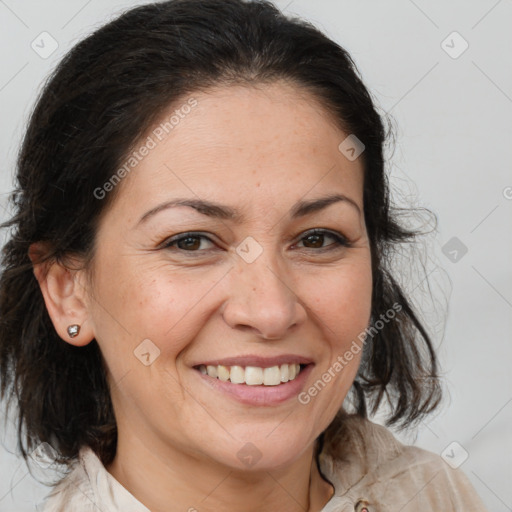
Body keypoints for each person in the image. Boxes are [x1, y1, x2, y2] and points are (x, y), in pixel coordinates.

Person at [0, 1, 488, 510]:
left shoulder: (437, 496)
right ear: (67, 291)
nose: (270, 311)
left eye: (318, 238)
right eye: (191, 241)